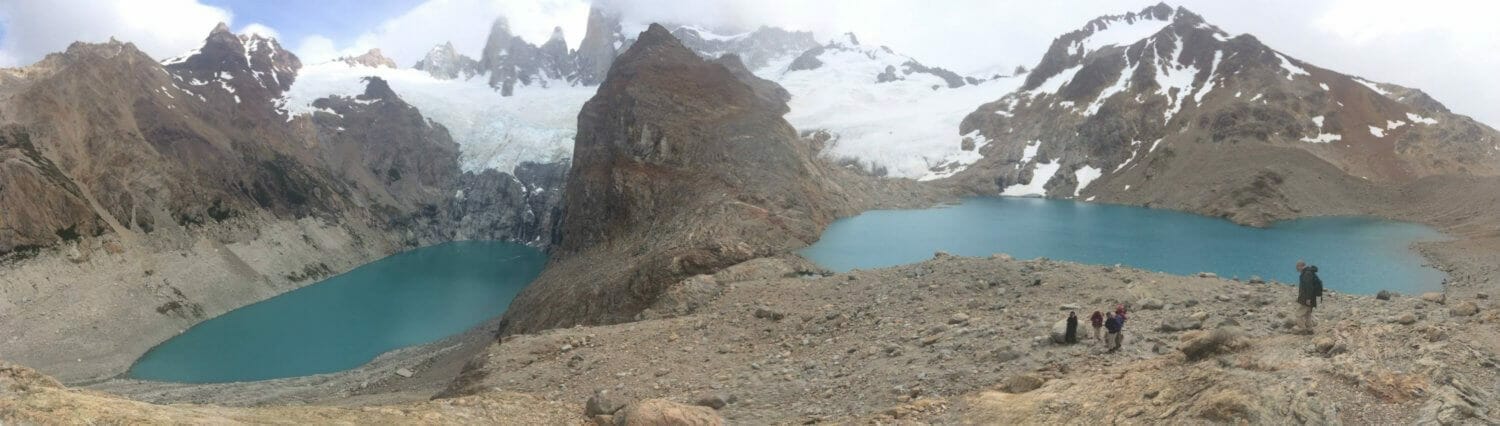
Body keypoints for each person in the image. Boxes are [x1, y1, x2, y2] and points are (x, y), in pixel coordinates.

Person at [1296, 260, 1324, 334]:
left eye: (1297, 267)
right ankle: (1310, 330)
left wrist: (1308, 298)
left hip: (1306, 298)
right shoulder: (1309, 272)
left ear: (1301, 266)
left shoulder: (1306, 274)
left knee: (1298, 315)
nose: (1296, 269)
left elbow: (1309, 287)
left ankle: (1302, 330)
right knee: (1307, 314)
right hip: (1311, 298)